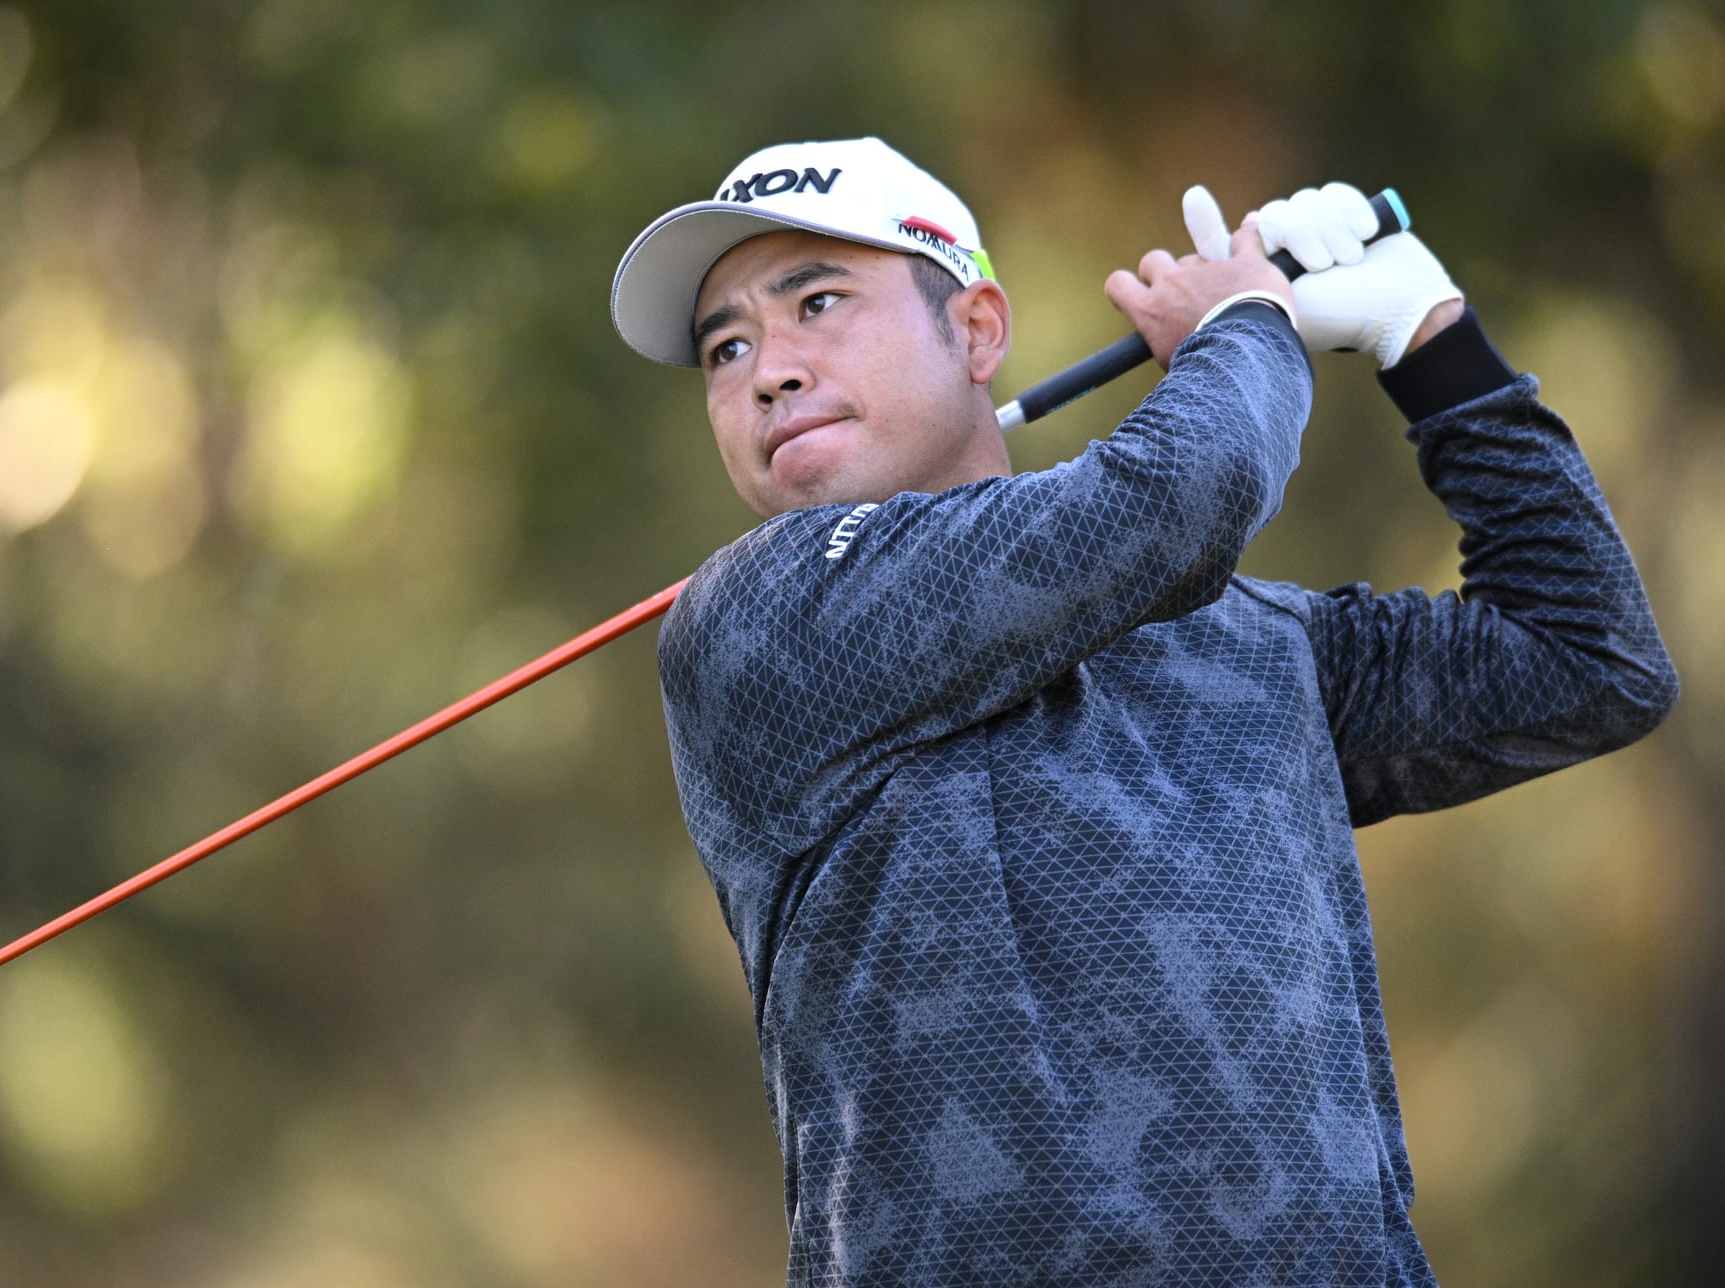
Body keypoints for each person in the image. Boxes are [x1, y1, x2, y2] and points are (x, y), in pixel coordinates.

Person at [608, 137, 1677, 1285]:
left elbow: (1585, 658)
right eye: (726, 346)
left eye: (817, 300)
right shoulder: (754, 618)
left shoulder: (1247, 638)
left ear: (974, 330)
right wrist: (1242, 326)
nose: (767, 369)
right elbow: (1181, 492)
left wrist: (1431, 341)